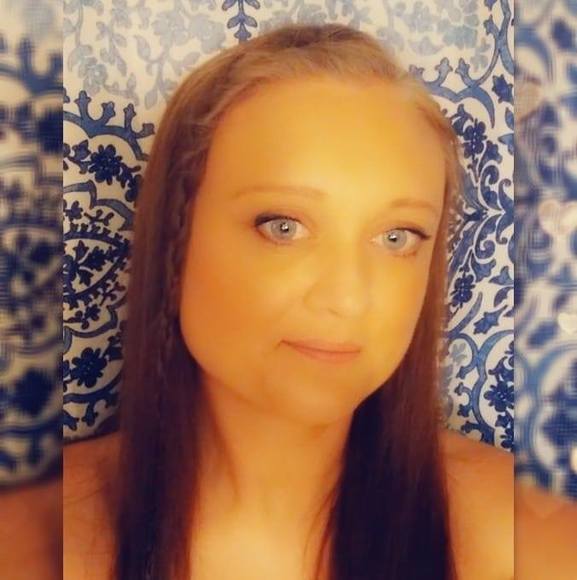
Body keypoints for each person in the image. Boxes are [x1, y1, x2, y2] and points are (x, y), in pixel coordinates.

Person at [64, 22, 516, 580]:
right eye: (283, 226)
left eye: (397, 236)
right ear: (175, 240)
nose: (347, 298)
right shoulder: (38, 538)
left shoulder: (520, 536)